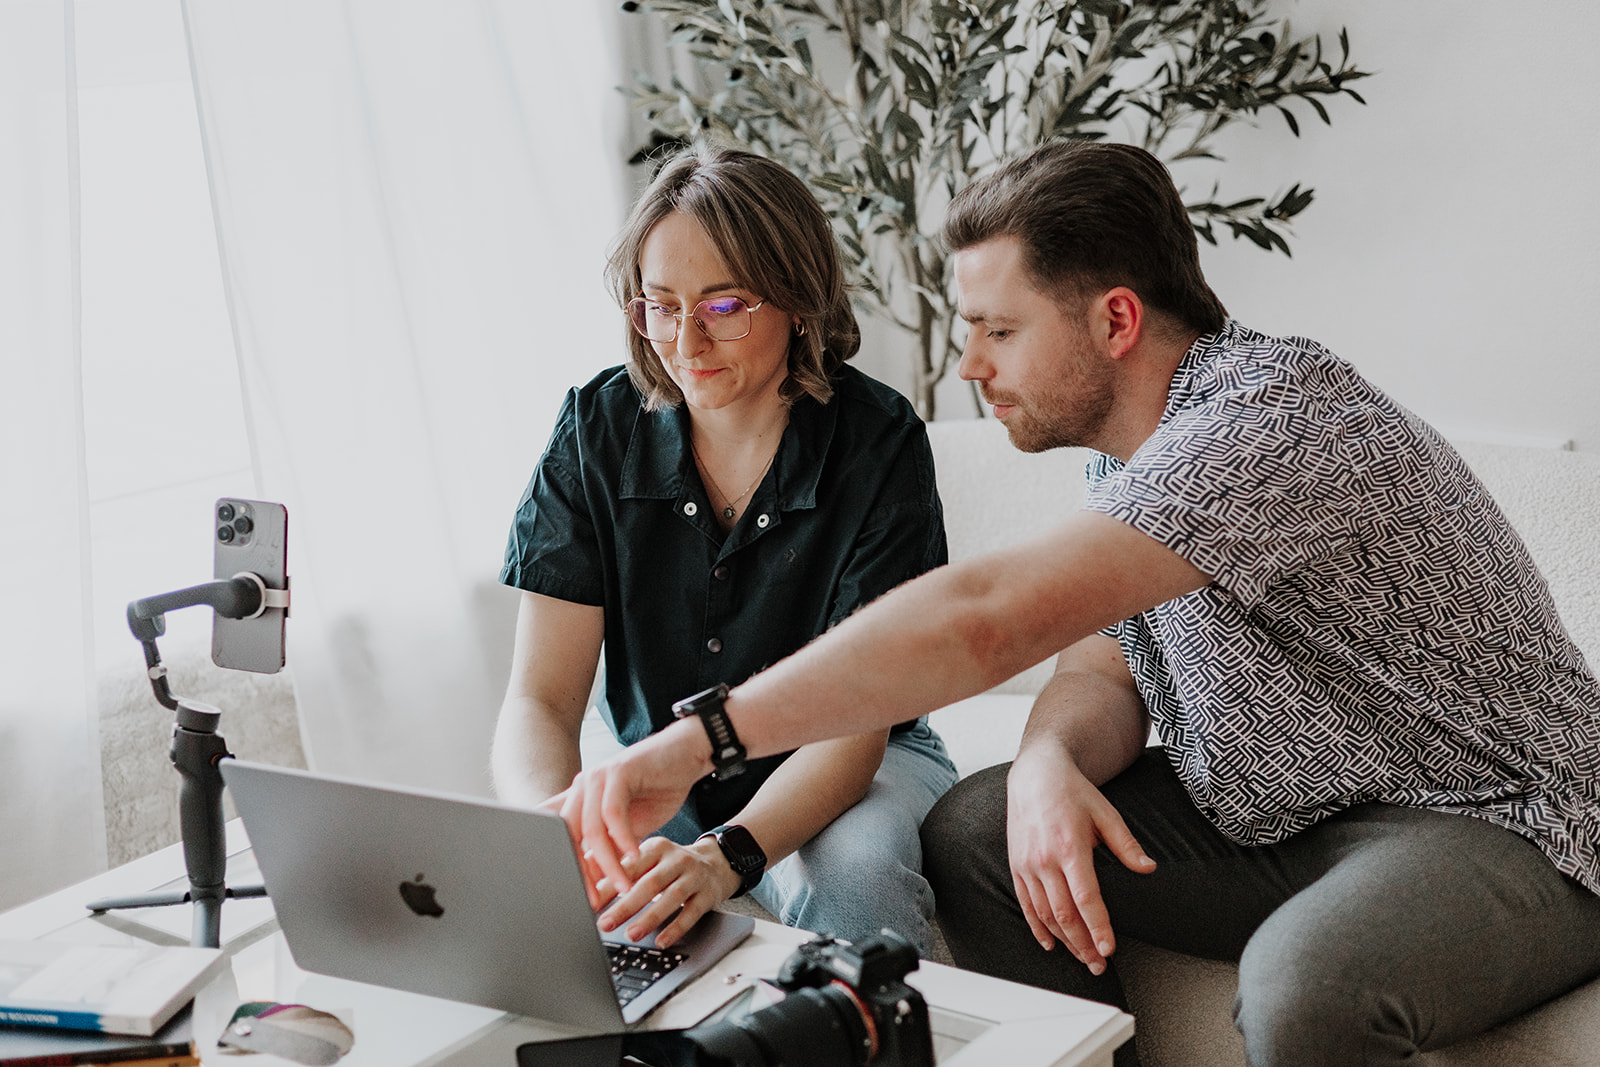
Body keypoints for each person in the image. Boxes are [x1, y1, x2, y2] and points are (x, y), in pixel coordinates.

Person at [546, 140, 1600, 1067]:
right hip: (1288, 821)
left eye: (996, 330)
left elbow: (987, 618)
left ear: (1114, 319)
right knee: (976, 823)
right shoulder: (1124, 456)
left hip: (1506, 818)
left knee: (1305, 983)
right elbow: (1101, 663)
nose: (966, 366)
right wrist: (1048, 760)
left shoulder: (1269, 424)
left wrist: (697, 744)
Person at [492, 142, 957, 957]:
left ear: (797, 300)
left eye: (723, 305)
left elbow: (857, 722)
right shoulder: (594, 428)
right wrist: (546, 827)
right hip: (643, 743)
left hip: (853, 750)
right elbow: (540, 698)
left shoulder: (879, 444)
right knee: (580, 891)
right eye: (660, 305)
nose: (686, 341)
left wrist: (723, 856)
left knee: (854, 877)